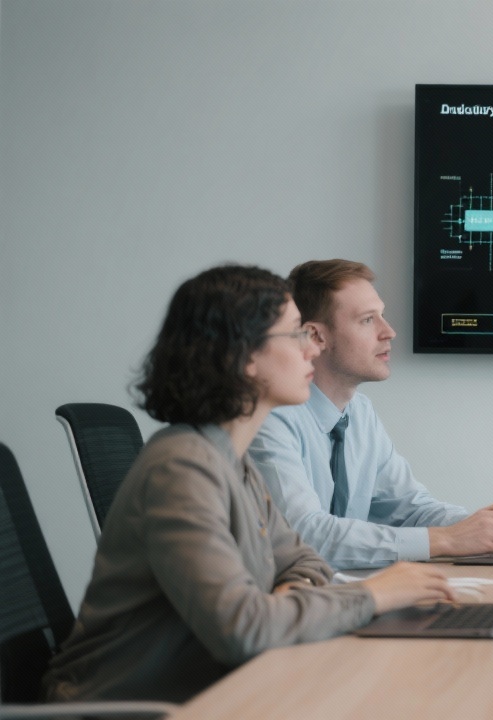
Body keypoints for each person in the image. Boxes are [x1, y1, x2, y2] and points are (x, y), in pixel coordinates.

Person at [44, 265, 457, 703]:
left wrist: (288, 600)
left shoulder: (233, 463)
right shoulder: (181, 469)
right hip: (120, 709)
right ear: (244, 356)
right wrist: (372, 596)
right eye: (296, 334)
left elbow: (306, 561)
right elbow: (244, 629)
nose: (311, 351)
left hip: (214, 690)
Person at [248, 259, 493, 569]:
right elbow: (303, 536)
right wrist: (446, 540)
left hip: (344, 595)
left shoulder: (359, 412)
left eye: (382, 315)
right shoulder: (270, 417)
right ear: (316, 336)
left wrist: (486, 531)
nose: (389, 332)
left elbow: (409, 508)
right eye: (368, 320)